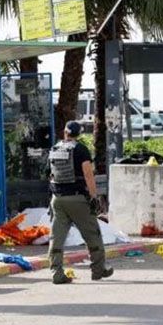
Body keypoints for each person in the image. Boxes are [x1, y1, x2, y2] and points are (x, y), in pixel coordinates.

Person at [47, 121, 113, 284]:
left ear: (65, 132)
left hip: (58, 199)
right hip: (78, 199)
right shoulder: (80, 150)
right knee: (92, 234)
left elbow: (50, 174)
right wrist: (93, 196)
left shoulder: (55, 149)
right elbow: (88, 175)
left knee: (57, 237)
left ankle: (56, 271)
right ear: (79, 134)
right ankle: (98, 269)